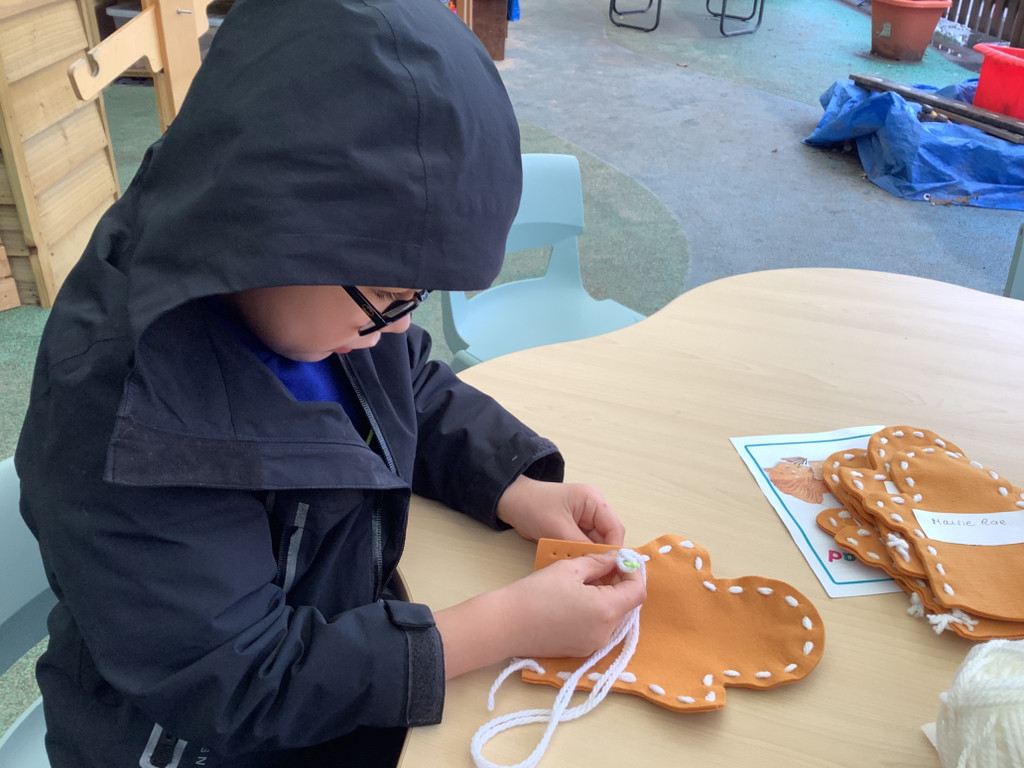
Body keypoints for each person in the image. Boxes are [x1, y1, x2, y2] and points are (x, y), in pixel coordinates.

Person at [14, 0, 646, 766]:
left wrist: (513, 483)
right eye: (388, 297)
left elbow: (408, 385)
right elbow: (245, 682)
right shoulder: (129, 426)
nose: (400, 327)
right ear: (274, 229)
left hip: (326, 666)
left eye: (413, 298)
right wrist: (506, 626)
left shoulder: (315, 295)